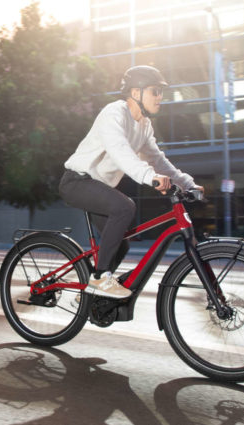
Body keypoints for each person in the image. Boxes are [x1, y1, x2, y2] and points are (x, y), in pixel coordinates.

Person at [59, 65, 203, 298]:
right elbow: (120, 151)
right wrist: (150, 177)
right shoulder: (114, 113)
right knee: (125, 207)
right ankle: (100, 279)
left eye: (161, 92)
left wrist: (187, 183)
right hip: (77, 181)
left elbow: (158, 160)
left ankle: (90, 294)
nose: (160, 97)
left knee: (121, 245)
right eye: (155, 91)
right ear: (136, 93)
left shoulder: (144, 126)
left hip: (99, 187)